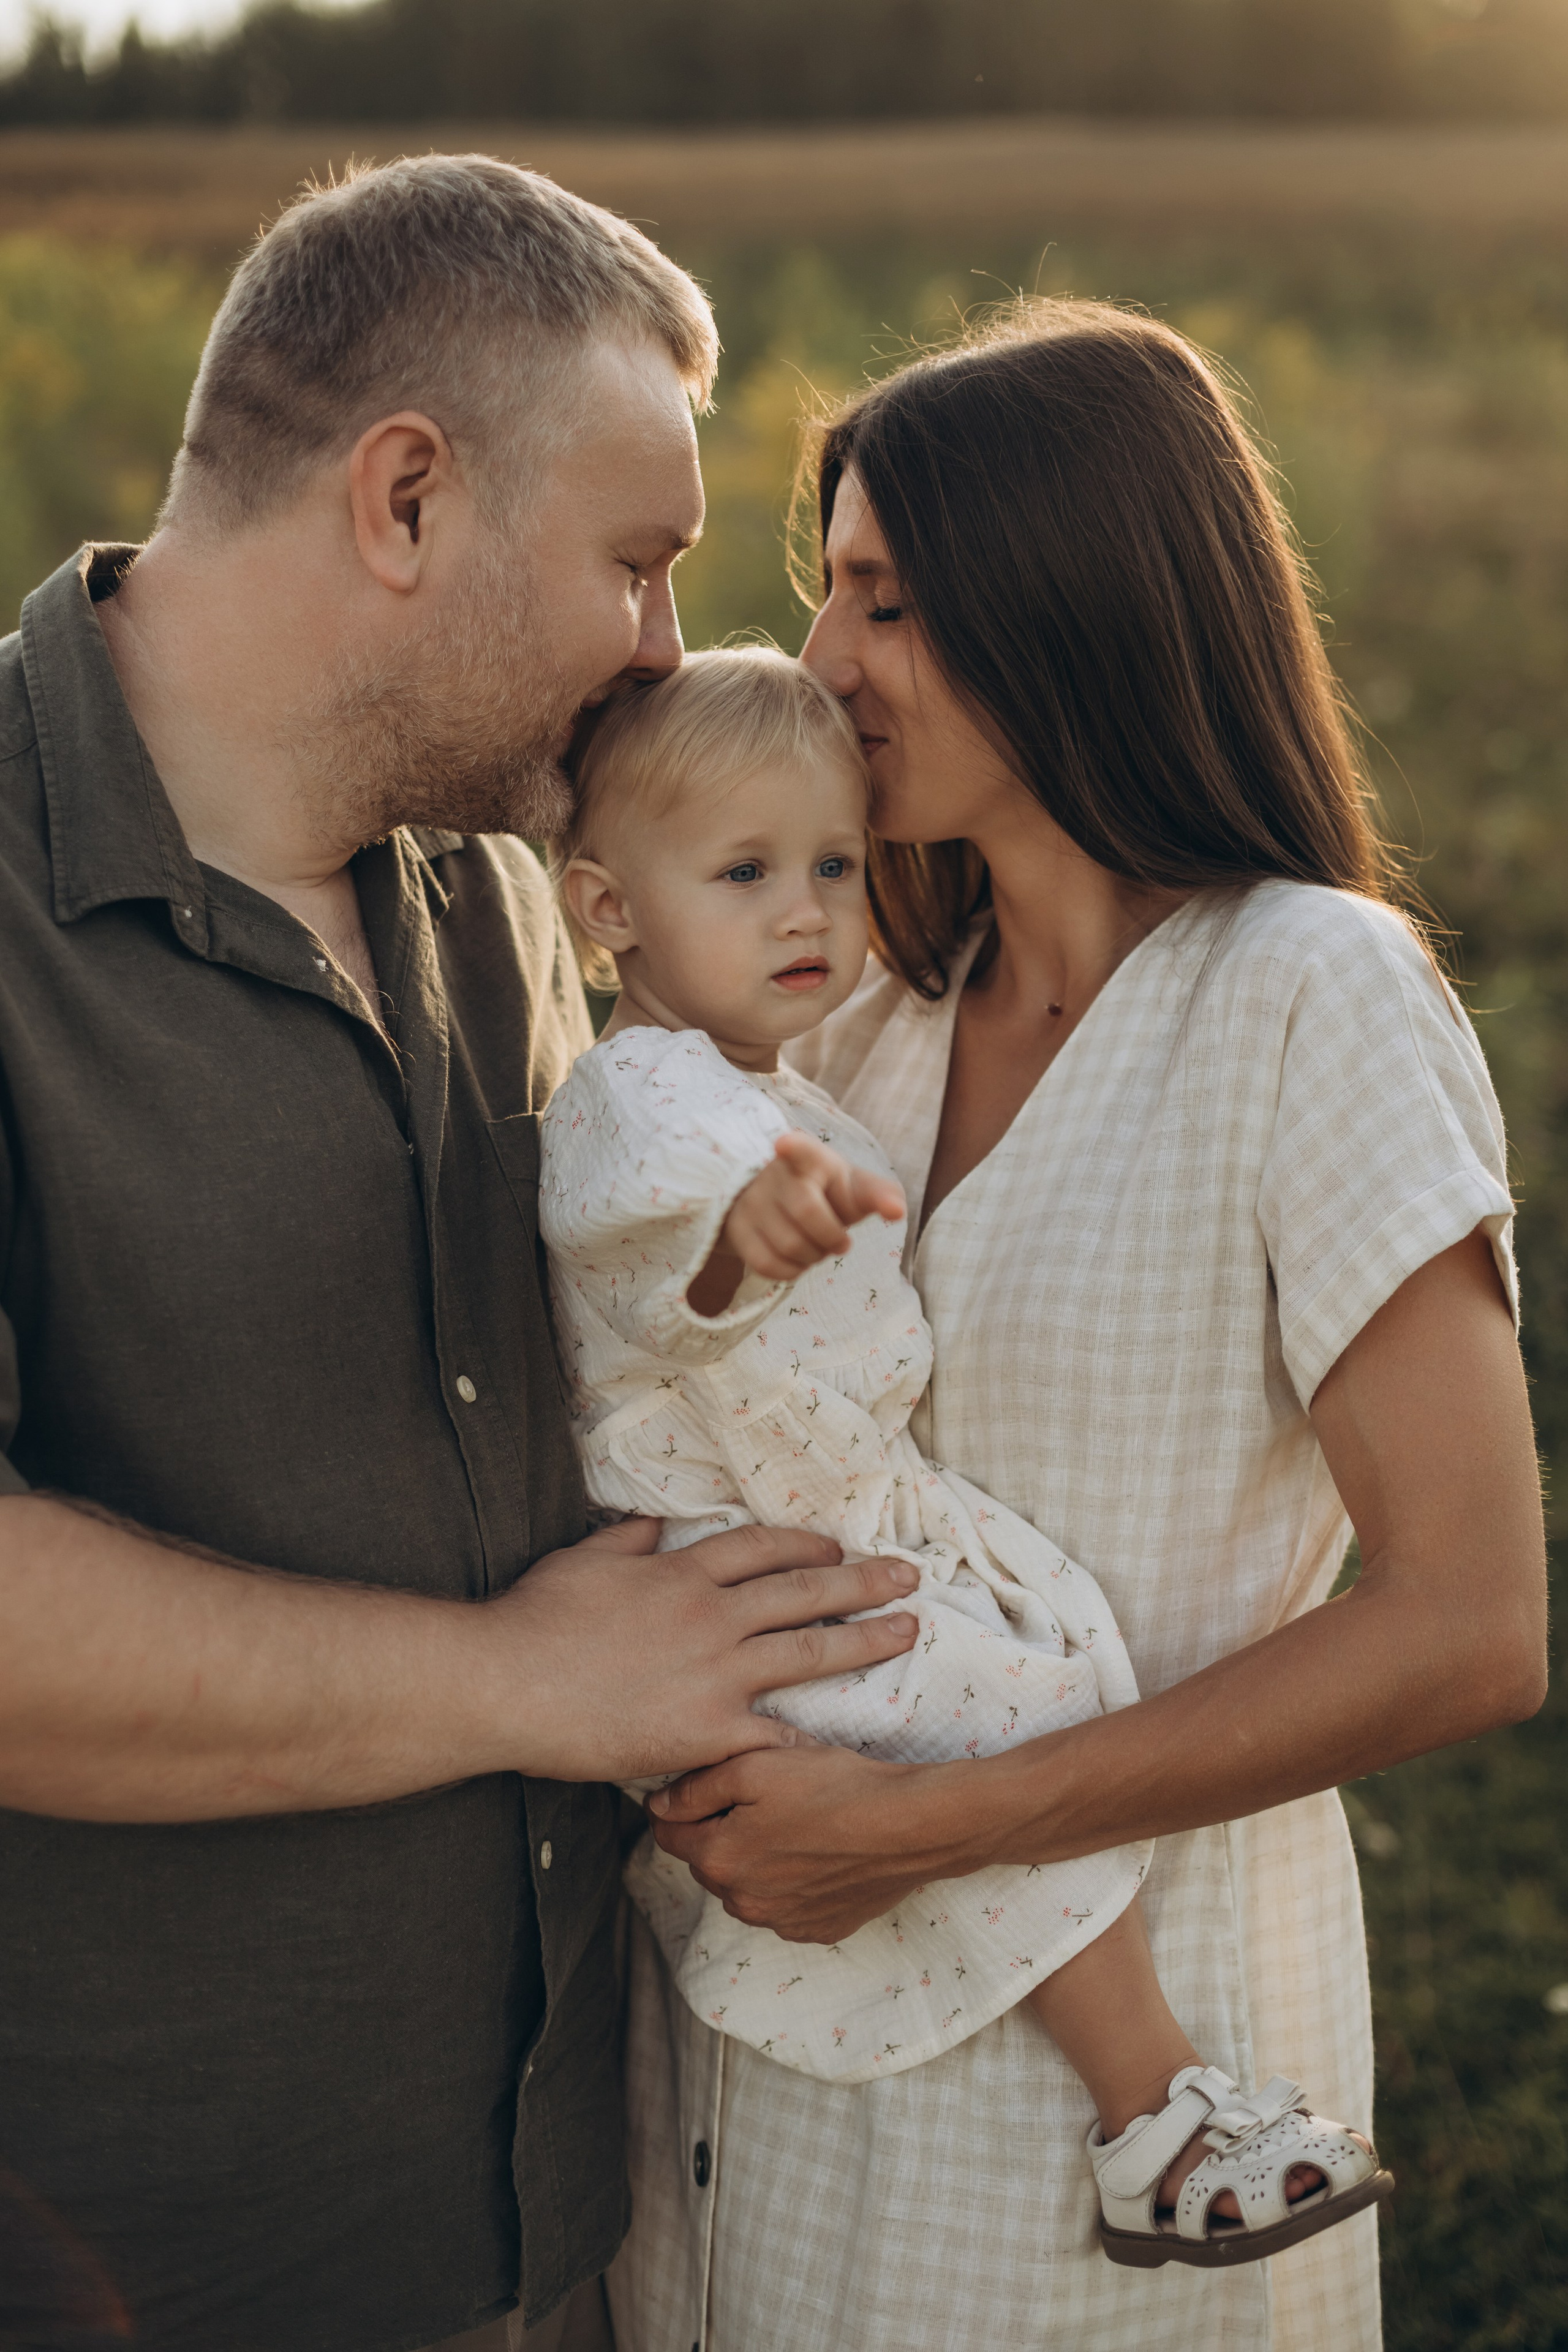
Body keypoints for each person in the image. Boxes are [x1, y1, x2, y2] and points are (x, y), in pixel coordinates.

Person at [0, 156, 922, 2352]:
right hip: (161, 2260)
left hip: (558, 2217)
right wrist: (529, 1683)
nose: (666, 648)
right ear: (405, 497)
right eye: (637, 561)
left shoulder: (519, 884)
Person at [621, 302, 1548, 2350]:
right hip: (754, 2080)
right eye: (825, 589)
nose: (827, 659)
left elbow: (1474, 1623)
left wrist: (927, 1825)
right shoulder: (842, 1006)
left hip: (1132, 2126)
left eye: (886, 596)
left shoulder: (1311, 996)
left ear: (1075, 599)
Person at [538, 642, 1390, 2265]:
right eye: (746, 873)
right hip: (743, 1571)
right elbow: (669, 1271)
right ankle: (1156, 2112)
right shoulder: (648, 1107)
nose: (808, 914)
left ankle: (1153, 2113)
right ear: (608, 911)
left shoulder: (771, 1065)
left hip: (815, 1527)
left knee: (1024, 1707)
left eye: (835, 867)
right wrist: (746, 1240)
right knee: (993, 1735)